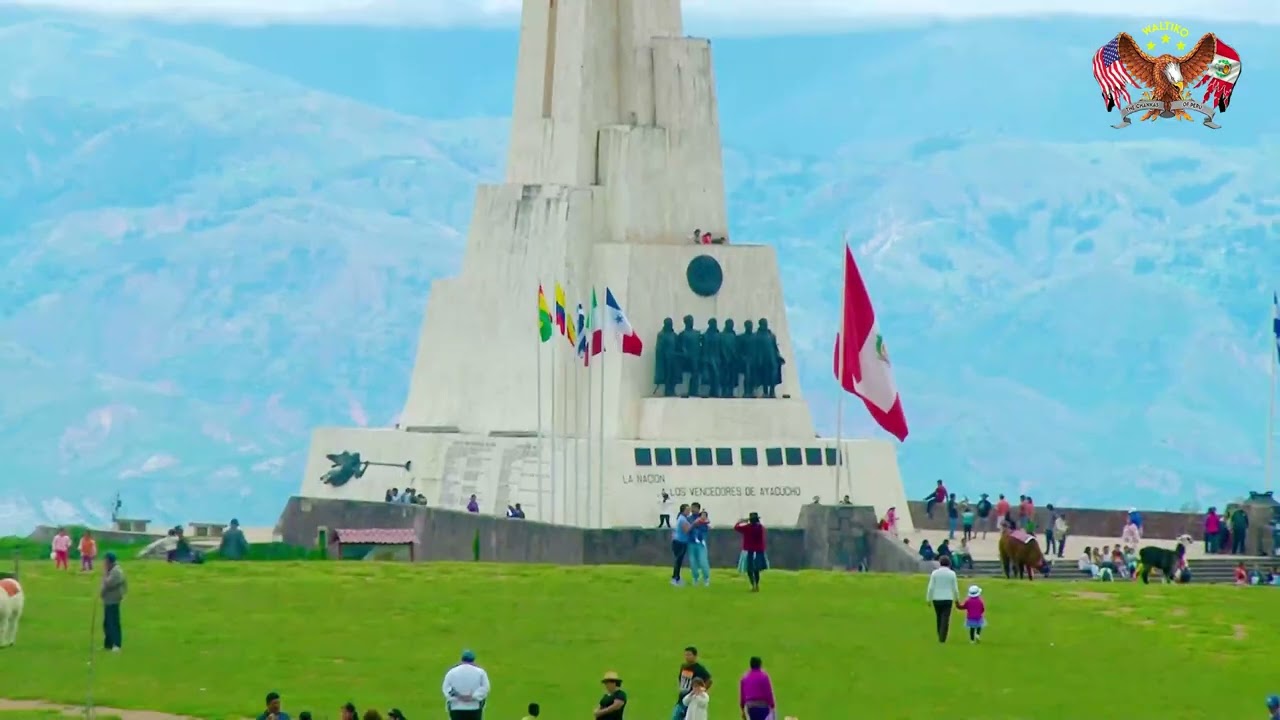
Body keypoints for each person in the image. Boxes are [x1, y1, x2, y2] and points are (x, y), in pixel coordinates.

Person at [442, 649, 490, 720]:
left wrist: (459, 696)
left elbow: (446, 688)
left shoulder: (452, 672)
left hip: (456, 707)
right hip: (475, 707)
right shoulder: (480, 672)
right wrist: (473, 696)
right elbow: (485, 688)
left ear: (462, 659)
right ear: (473, 660)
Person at [925, 555, 960, 643]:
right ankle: (942, 637)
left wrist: (928, 599)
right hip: (948, 598)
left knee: (939, 617)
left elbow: (931, 587)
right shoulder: (952, 573)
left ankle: (939, 634)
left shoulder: (935, 573)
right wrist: (957, 599)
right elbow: (955, 588)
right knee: (945, 618)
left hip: (937, 598)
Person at [672, 647, 711, 720]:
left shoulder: (699, 669)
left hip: (691, 700)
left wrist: (702, 690)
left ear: (695, 656)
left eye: (689, 655)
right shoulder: (683, 667)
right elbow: (680, 678)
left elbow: (709, 679)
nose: (687, 657)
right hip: (682, 698)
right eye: (686, 655)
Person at [733, 513, 767, 592]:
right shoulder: (760, 528)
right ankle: (757, 585)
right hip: (759, 551)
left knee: (750, 569)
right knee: (756, 569)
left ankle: (753, 585)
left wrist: (741, 521)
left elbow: (736, 527)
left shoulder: (747, 527)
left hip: (749, 551)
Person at [100, 551, 126, 651]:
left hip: (113, 600)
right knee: (107, 623)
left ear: (109, 561)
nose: (103, 562)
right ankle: (108, 645)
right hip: (108, 600)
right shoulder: (110, 570)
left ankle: (116, 644)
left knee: (113, 623)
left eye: (105, 560)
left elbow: (109, 583)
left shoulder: (116, 571)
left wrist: (105, 575)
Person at [687, 508, 711, 587]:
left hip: (701, 544)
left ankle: (706, 578)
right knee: (693, 562)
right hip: (691, 543)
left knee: (703, 561)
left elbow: (705, 529)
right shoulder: (689, 519)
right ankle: (695, 578)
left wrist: (702, 522)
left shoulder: (704, 523)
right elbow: (688, 529)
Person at [671, 504, 692, 586]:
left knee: (679, 561)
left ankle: (678, 578)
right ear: (683, 510)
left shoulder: (683, 519)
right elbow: (686, 530)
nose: (689, 511)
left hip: (680, 541)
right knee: (678, 561)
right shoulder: (682, 519)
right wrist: (694, 525)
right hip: (679, 542)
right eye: (687, 510)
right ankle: (674, 579)